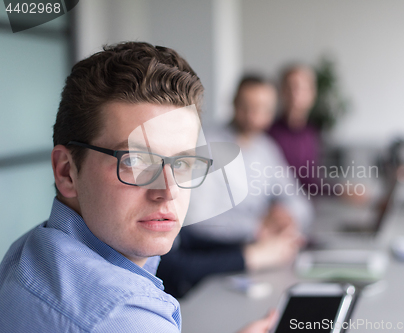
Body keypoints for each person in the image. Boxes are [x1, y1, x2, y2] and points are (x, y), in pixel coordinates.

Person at [0, 42, 274, 333]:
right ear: (67, 172)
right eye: (136, 160)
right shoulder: (124, 316)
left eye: (182, 162)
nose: (168, 190)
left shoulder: (28, 251)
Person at [157, 76, 312, 298]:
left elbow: (296, 198)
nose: (253, 115)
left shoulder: (266, 148)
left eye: (262, 108)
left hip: (263, 255)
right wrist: (256, 228)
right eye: (247, 107)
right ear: (234, 104)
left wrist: (288, 214)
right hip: (217, 258)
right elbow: (196, 220)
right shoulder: (205, 145)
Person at [268, 65, 321, 189]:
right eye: (289, 87)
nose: (294, 94)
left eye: (301, 88)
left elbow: (310, 180)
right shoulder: (268, 133)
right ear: (281, 92)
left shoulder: (312, 133)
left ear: (312, 93)